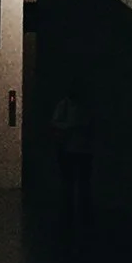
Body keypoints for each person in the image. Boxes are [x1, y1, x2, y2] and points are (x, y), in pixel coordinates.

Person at [50, 89, 95, 243]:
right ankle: (72, 211)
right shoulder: (67, 106)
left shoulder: (69, 106)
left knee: (79, 182)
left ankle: (75, 212)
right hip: (73, 149)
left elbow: (56, 123)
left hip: (77, 149)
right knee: (73, 182)